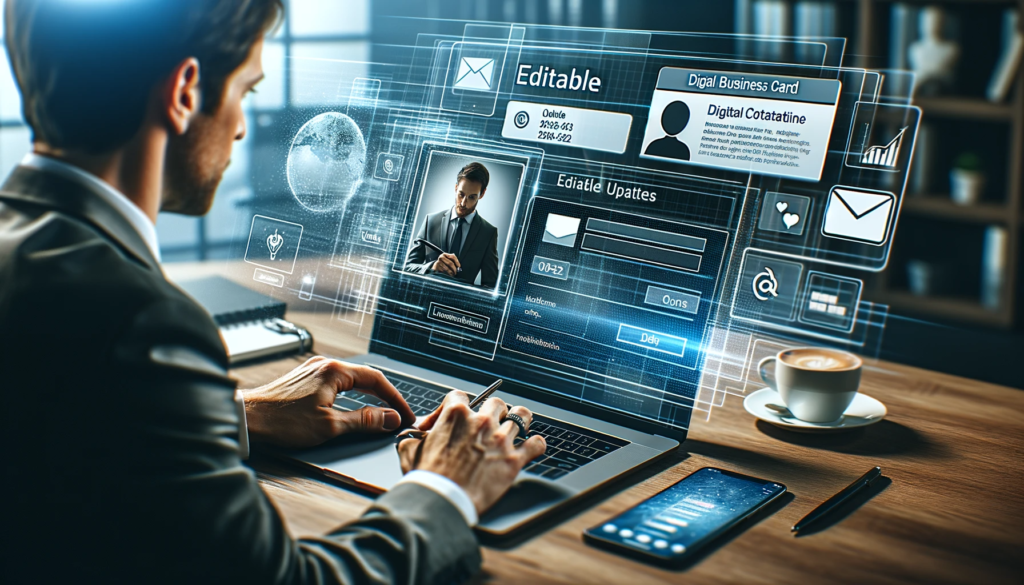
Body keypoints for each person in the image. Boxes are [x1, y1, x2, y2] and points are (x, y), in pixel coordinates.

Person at [0, 1, 545, 583]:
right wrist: (446, 488)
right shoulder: (143, 324)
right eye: (245, 91)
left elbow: (58, 421)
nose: (239, 126)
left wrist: (234, 414)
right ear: (185, 91)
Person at [403, 162, 500, 288]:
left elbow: (490, 286)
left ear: (482, 194)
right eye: (461, 194)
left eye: (471, 197)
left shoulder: (488, 233)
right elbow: (407, 267)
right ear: (455, 188)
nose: (463, 203)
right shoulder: (430, 221)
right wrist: (431, 267)